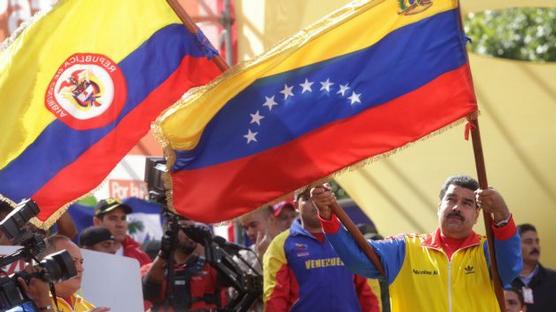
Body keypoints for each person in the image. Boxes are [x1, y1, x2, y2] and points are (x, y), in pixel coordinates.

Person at [312, 175, 522, 311]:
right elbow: (358, 259)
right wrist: (328, 217)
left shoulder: (487, 251)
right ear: (439, 206)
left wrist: (502, 215)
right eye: (451, 200)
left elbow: (510, 268)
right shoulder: (406, 249)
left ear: (477, 214)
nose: (457, 207)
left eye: (467, 203)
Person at [263, 188, 379, 311]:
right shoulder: (280, 244)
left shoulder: (352, 237)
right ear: (296, 205)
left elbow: (369, 292)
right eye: (307, 198)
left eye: (320, 195)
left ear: (331, 199)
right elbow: (275, 297)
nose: (315, 202)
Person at [141, 220, 226, 311]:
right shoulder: (148, 270)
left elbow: (234, 280)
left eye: (193, 228)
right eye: (185, 228)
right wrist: (163, 254)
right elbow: (147, 292)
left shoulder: (210, 268)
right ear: (169, 231)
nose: (191, 234)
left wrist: (210, 244)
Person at [43, 235, 110, 312]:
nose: (81, 269)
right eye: (72, 261)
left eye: (81, 262)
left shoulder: (88, 307)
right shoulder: (33, 303)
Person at [511, 223, 556, 311]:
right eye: (528, 242)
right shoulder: (504, 280)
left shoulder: (553, 279)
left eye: (537, 241)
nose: (535, 246)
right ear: (515, 246)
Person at [93, 198, 151, 266]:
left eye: (123, 218)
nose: (120, 224)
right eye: (113, 218)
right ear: (97, 222)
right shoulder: (83, 256)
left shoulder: (140, 256)